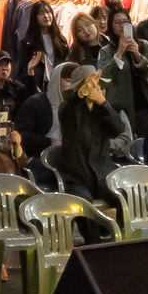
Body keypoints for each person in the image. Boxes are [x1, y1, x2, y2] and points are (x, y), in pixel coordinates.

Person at [49, 61, 128, 203]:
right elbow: (70, 111)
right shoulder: (67, 109)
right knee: (83, 204)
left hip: (103, 176)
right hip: (77, 179)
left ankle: (118, 226)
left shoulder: (102, 109)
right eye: (90, 85)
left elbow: (118, 129)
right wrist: (84, 93)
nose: (96, 89)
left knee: (123, 198)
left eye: (98, 85)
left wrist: (103, 103)